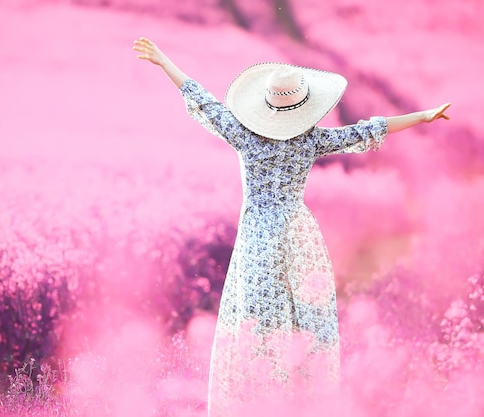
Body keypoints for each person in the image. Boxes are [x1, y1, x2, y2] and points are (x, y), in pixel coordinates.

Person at [132, 37, 450, 416]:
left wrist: (164, 60)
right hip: (299, 235)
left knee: (255, 318)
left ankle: (257, 400)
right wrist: (424, 115)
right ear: (303, 108)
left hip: (257, 237)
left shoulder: (244, 135)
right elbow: (367, 132)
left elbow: (201, 99)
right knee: (304, 318)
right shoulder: (309, 140)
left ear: (265, 107)